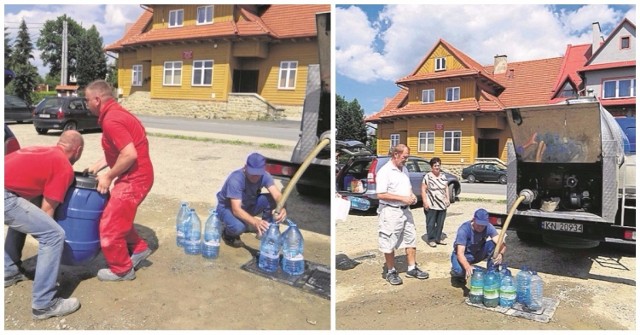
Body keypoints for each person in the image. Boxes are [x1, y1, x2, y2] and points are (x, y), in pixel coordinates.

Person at [4, 130, 84, 320]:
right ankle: (44, 303)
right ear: (78, 150)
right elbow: (47, 211)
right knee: (53, 235)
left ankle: (9, 271)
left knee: (26, 215)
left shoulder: (42, 150)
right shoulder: (63, 166)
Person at [85, 79, 153, 281]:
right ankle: (139, 249)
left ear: (97, 99)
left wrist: (108, 176)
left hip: (135, 179)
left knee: (109, 223)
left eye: (87, 99)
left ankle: (122, 269)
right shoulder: (116, 114)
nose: (86, 104)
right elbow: (119, 150)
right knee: (118, 216)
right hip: (136, 175)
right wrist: (98, 166)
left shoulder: (111, 120)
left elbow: (129, 155)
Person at [376, 144, 429, 285]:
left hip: (406, 210)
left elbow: (408, 188)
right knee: (389, 241)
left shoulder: (404, 169)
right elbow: (380, 194)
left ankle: (412, 268)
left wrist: (411, 196)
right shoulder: (385, 171)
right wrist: (402, 199)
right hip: (391, 212)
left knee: (411, 238)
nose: (406, 160)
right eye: (405, 157)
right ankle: (391, 271)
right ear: (395, 155)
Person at [216, 152, 287, 248]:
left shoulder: (264, 175)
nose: (255, 177)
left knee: (272, 200)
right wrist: (254, 222)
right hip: (228, 209)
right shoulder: (236, 179)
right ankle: (228, 234)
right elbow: (236, 210)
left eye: (258, 174)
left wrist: (282, 208)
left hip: (248, 205)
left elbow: (278, 195)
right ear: (245, 167)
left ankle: (266, 230)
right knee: (238, 227)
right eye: (252, 173)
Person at [450, 208, 507, 285]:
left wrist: (501, 254)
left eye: (483, 226)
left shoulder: (488, 227)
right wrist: (467, 267)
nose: (481, 228)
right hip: (464, 255)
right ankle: (458, 274)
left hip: (477, 253)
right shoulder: (464, 230)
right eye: (479, 225)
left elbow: (502, 244)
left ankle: (492, 273)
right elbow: (460, 254)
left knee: (494, 245)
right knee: (459, 271)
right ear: (473, 220)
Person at [421, 157, 450, 248]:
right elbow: (423, 190)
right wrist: (425, 202)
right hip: (431, 203)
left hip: (441, 204)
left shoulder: (443, 176)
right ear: (431, 167)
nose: (437, 167)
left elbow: (446, 188)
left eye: (438, 165)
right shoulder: (427, 177)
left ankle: (438, 238)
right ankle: (431, 239)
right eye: (435, 166)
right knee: (431, 223)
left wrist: (447, 199)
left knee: (440, 222)